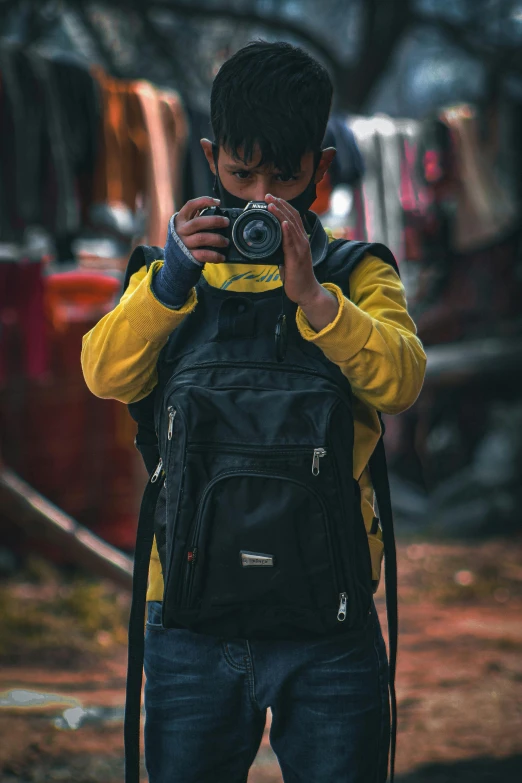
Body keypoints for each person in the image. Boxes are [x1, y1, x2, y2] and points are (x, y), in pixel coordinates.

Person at [82, 41, 426, 783]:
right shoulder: (169, 274)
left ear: (321, 169)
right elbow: (103, 372)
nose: (262, 197)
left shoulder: (353, 273)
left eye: (285, 176)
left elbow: (401, 381)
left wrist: (317, 301)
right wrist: (170, 279)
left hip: (327, 620)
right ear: (211, 158)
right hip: (190, 620)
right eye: (241, 173)